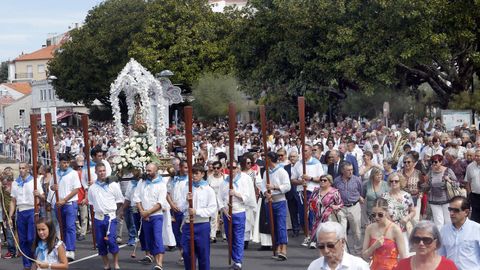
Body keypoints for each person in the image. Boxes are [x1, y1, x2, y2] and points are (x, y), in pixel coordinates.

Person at [217, 160, 256, 269]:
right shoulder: (224, 182)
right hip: (227, 213)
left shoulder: (243, 181)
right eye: (229, 167)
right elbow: (219, 197)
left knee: (238, 237)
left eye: (233, 167)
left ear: (238, 168)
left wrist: (236, 194)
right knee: (230, 238)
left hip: (239, 212)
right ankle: (235, 258)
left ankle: (238, 261)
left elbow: (247, 197)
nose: (231, 170)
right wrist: (223, 209)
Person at [180, 164, 217, 270]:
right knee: (187, 253)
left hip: (202, 225)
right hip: (188, 224)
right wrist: (187, 201)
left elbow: (212, 209)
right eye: (192, 173)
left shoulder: (208, 190)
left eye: (196, 173)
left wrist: (197, 211)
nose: (194, 176)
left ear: (202, 174)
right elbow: (181, 207)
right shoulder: (186, 187)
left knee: (203, 253)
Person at [88, 162, 124, 270]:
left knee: (111, 241)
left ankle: (116, 263)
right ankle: (106, 264)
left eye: (103, 171)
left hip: (110, 218)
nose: (102, 173)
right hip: (98, 218)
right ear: (96, 172)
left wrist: (117, 212)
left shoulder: (113, 185)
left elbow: (119, 200)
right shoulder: (92, 188)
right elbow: (91, 203)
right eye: (100, 171)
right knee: (100, 242)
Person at [9, 162, 44, 269]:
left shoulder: (34, 181)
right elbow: (13, 201)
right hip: (20, 212)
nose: (21, 170)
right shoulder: (15, 183)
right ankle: (27, 264)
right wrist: (10, 216)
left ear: (28, 169)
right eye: (20, 168)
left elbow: (42, 197)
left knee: (31, 238)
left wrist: (38, 195)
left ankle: (35, 260)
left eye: (23, 168)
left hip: (31, 210)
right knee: (23, 240)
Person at [133, 163, 168, 270]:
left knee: (157, 238)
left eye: (150, 171)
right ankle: (153, 259)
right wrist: (142, 212)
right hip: (144, 215)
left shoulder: (161, 184)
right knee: (149, 239)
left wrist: (148, 212)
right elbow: (137, 197)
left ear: (156, 171)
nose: (147, 173)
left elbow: (160, 203)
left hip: (156, 216)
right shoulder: (142, 182)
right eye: (147, 170)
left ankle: (159, 264)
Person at [291, 144, 324, 247]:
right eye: (302, 151)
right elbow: (293, 180)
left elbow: (322, 178)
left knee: (312, 214)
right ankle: (307, 235)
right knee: (302, 215)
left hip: (312, 192)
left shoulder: (317, 163)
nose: (303, 153)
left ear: (310, 152)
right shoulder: (298, 164)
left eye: (305, 151)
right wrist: (301, 182)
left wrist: (310, 178)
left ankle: (313, 237)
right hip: (301, 192)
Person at [50, 154, 80, 261]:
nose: (66, 164)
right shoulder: (56, 173)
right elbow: (51, 186)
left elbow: (76, 189)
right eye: (64, 162)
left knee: (70, 226)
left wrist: (64, 200)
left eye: (67, 162)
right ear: (60, 162)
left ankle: (71, 250)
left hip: (69, 204)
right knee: (62, 227)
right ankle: (64, 248)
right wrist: (53, 187)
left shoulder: (73, 173)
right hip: (58, 205)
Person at [362, 198, 407, 270]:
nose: (376, 217)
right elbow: (364, 255)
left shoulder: (395, 230)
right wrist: (373, 247)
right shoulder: (369, 228)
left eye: (380, 214)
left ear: (386, 212)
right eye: (374, 215)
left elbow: (403, 258)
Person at [262, 152, 291, 260]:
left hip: (279, 201)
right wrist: (266, 193)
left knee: (281, 225)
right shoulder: (266, 172)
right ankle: (277, 246)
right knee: (272, 226)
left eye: (266, 158)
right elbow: (263, 185)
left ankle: (283, 249)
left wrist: (275, 187)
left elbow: (287, 186)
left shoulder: (281, 171)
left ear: (269, 159)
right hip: (269, 201)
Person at [439, 196, 480, 270]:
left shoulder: (477, 229)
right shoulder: (444, 230)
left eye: (456, 210)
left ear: (466, 212)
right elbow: (441, 256)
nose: (451, 213)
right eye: (450, 209)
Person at [333, 161, 364, 255]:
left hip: (354, 206)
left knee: (357, 231)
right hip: (341, 208)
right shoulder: (337, 181)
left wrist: (359, 197)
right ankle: (344, 252)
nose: (351, 172)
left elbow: (360, 190)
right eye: (348, 170)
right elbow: (335, 192)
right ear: (342, 171)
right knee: (342, 231)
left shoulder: (357, 180)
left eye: (352, 170)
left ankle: (358, 251)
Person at [381, 173, 415, 250]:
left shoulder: (407, 196)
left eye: (396, 181)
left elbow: (413, 211)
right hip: (389, 229)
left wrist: (407, 217)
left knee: (404, 252)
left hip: (404, 229)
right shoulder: (384, 196)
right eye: (391, 181)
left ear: (401, 182)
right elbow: (381, 212)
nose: (393, 183)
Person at [422, 154, 457, 227]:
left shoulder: (448, 171)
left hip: (447, 200)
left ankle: (448, 237)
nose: (433, 164)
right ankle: (440, 237)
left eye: (435, 162)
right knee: (438, 222)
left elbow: (457, 185)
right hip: (434, 201)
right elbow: (427, 184)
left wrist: (449, 180)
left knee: (448, 221)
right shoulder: (430, 171)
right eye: (431, 162)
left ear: (441, 162)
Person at [309, 174, 343, 247]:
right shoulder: (316, 190)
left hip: (328, 216)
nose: (322, 182)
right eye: (321, 180)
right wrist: (311, 205)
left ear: (330, 182)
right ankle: (316, 241)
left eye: (325, 180)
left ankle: (325, 244)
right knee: (317, 229)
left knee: (326, 231)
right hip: (317, 215)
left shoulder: (334, 192)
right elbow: (310, 200)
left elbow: (340, 204)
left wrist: (335, 206)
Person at [167, 160, 189, 264]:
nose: (187, 170)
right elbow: (167, 193)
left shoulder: (190, 180)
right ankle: (182, 253)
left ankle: (187, 253)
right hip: (175, 210)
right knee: (176, 233)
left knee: (185, 232)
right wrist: (171, 204)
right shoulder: (173, 179)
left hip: (186, 211)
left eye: (188, 168)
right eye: (185, 167)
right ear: (180, 168)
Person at [465, 149, 480, 223]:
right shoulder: (470, 167)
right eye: (476, 156)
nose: (477, 158)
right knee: (475, 218)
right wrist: (469, 193)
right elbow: (467, 182)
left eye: (479, 156)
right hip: (475, 196)